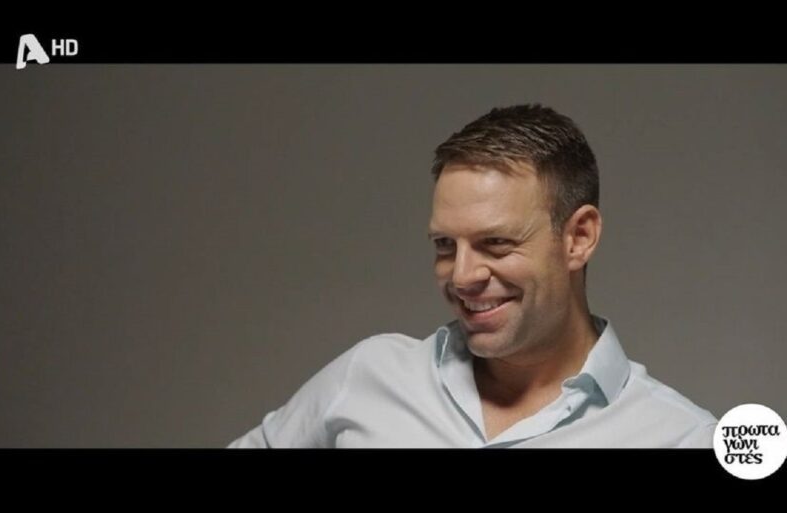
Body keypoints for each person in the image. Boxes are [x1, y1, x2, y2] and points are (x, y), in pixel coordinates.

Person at [228, 104, 717, 448]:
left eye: (496, 243)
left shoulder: (683, 437)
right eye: (445, 245)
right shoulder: (369, 377)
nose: (462, 276)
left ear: (579, 237)